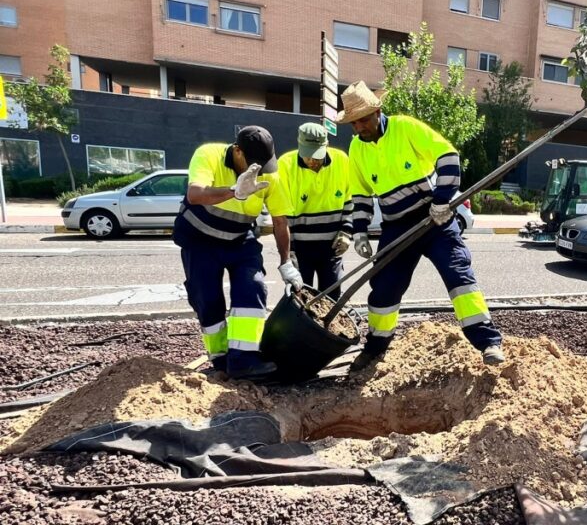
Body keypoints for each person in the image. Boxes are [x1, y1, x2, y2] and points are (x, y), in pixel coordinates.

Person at [337, 81, 504, 370]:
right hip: (395, 227)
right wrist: (360, 231)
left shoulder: (406, 128)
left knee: (458, 275)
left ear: (377, 111)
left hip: (433, 220)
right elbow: (361, 193)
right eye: (353, 122)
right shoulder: (356, 148)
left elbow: (448, 155)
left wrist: (442, 200)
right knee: (384, 289)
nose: (359, 127)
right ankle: (375, 347)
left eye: (363, 119)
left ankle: (488, 342)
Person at [173, 126, 303, 380]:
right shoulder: (208, 155)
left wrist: (287, 263)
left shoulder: (269, 175)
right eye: (253, 163)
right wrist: (234, 191)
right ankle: (221, 359)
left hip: (239, 240)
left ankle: (244, 360)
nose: (259, 170)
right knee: (207, 300)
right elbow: (195, 194)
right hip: (200, 242)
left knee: (253, 287)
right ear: (237, 151)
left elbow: (279, 221)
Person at [277, 123, 353, 299]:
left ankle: (327, 327)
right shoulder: (285, 165)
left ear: (326, 146)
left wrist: (346, 231)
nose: (312, 161)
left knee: (332, 295)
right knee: (301, 296)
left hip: (332, 246)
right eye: (308, 155)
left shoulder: (342, 161)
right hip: (301, 249)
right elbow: (280, 213)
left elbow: (350, 200)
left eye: (317, 156)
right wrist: (290, 251)